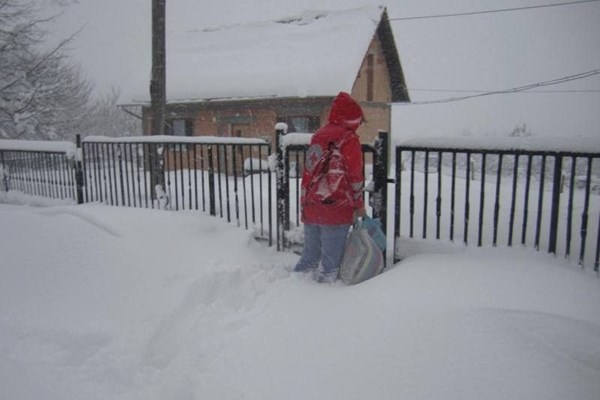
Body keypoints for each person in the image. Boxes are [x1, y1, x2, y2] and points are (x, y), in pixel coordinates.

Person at [294, 91, 365, 283]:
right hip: (336, 207)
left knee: (309, 257)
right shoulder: (348, 139)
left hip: (312, 204)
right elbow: (355, 177)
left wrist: (304, 203)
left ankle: (294, 285)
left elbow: (308, 172)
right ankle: (324, 301)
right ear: (352, 118)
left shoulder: (318, 136)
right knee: (330, 265)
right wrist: (358, 204)